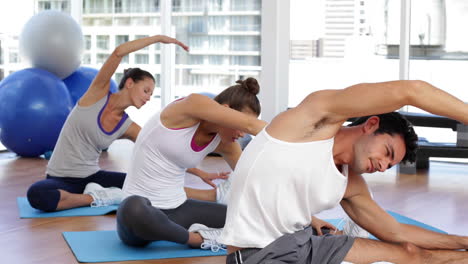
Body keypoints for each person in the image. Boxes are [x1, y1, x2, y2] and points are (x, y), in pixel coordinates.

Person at [219, 80, 468, 263]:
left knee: (410, 254)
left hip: (305, 244)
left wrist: (461, 242)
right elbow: (411, 91)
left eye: (390, 166)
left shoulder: (351, 182)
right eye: (387, 152)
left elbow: (394, 231)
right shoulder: (312, 123)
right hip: (259, 254)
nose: (383, 166)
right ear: (371, 125)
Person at [26, 35, 188, 212]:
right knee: (37, 194)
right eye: (146, 90)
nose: (148, 97)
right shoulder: (97, 95)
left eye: (151, 94)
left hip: (93, 177)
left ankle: (93, 196)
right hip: (59, 178)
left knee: (147, 186)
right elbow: (118, 52)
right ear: (129, 83)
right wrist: (157, 39)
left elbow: (160, 150)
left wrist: (199, 172)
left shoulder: (127, 126)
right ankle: (99, 197)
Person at [116, 77, 270, 250]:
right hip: (141, 213)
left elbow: (252, 179)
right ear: (225, 111)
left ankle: (196, 234)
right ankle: (198, 240)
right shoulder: (191, 106)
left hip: (178, 209)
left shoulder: (226, 143)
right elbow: (252, 126)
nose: (243, 134)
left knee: (247, 218)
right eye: (240, 125)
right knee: (133, 208)